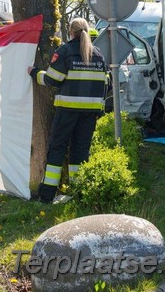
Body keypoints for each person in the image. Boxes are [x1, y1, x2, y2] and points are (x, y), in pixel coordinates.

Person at [27, 18, 108, 204]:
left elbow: (51, 80)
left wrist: (34, 72)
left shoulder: (65, 51)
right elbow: (105, 84)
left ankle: (47, 195)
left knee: (57, 148)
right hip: (90, 113)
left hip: (68, 111)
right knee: (80, 152)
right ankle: (78, 192)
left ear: (70, 32)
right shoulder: (98, 54)